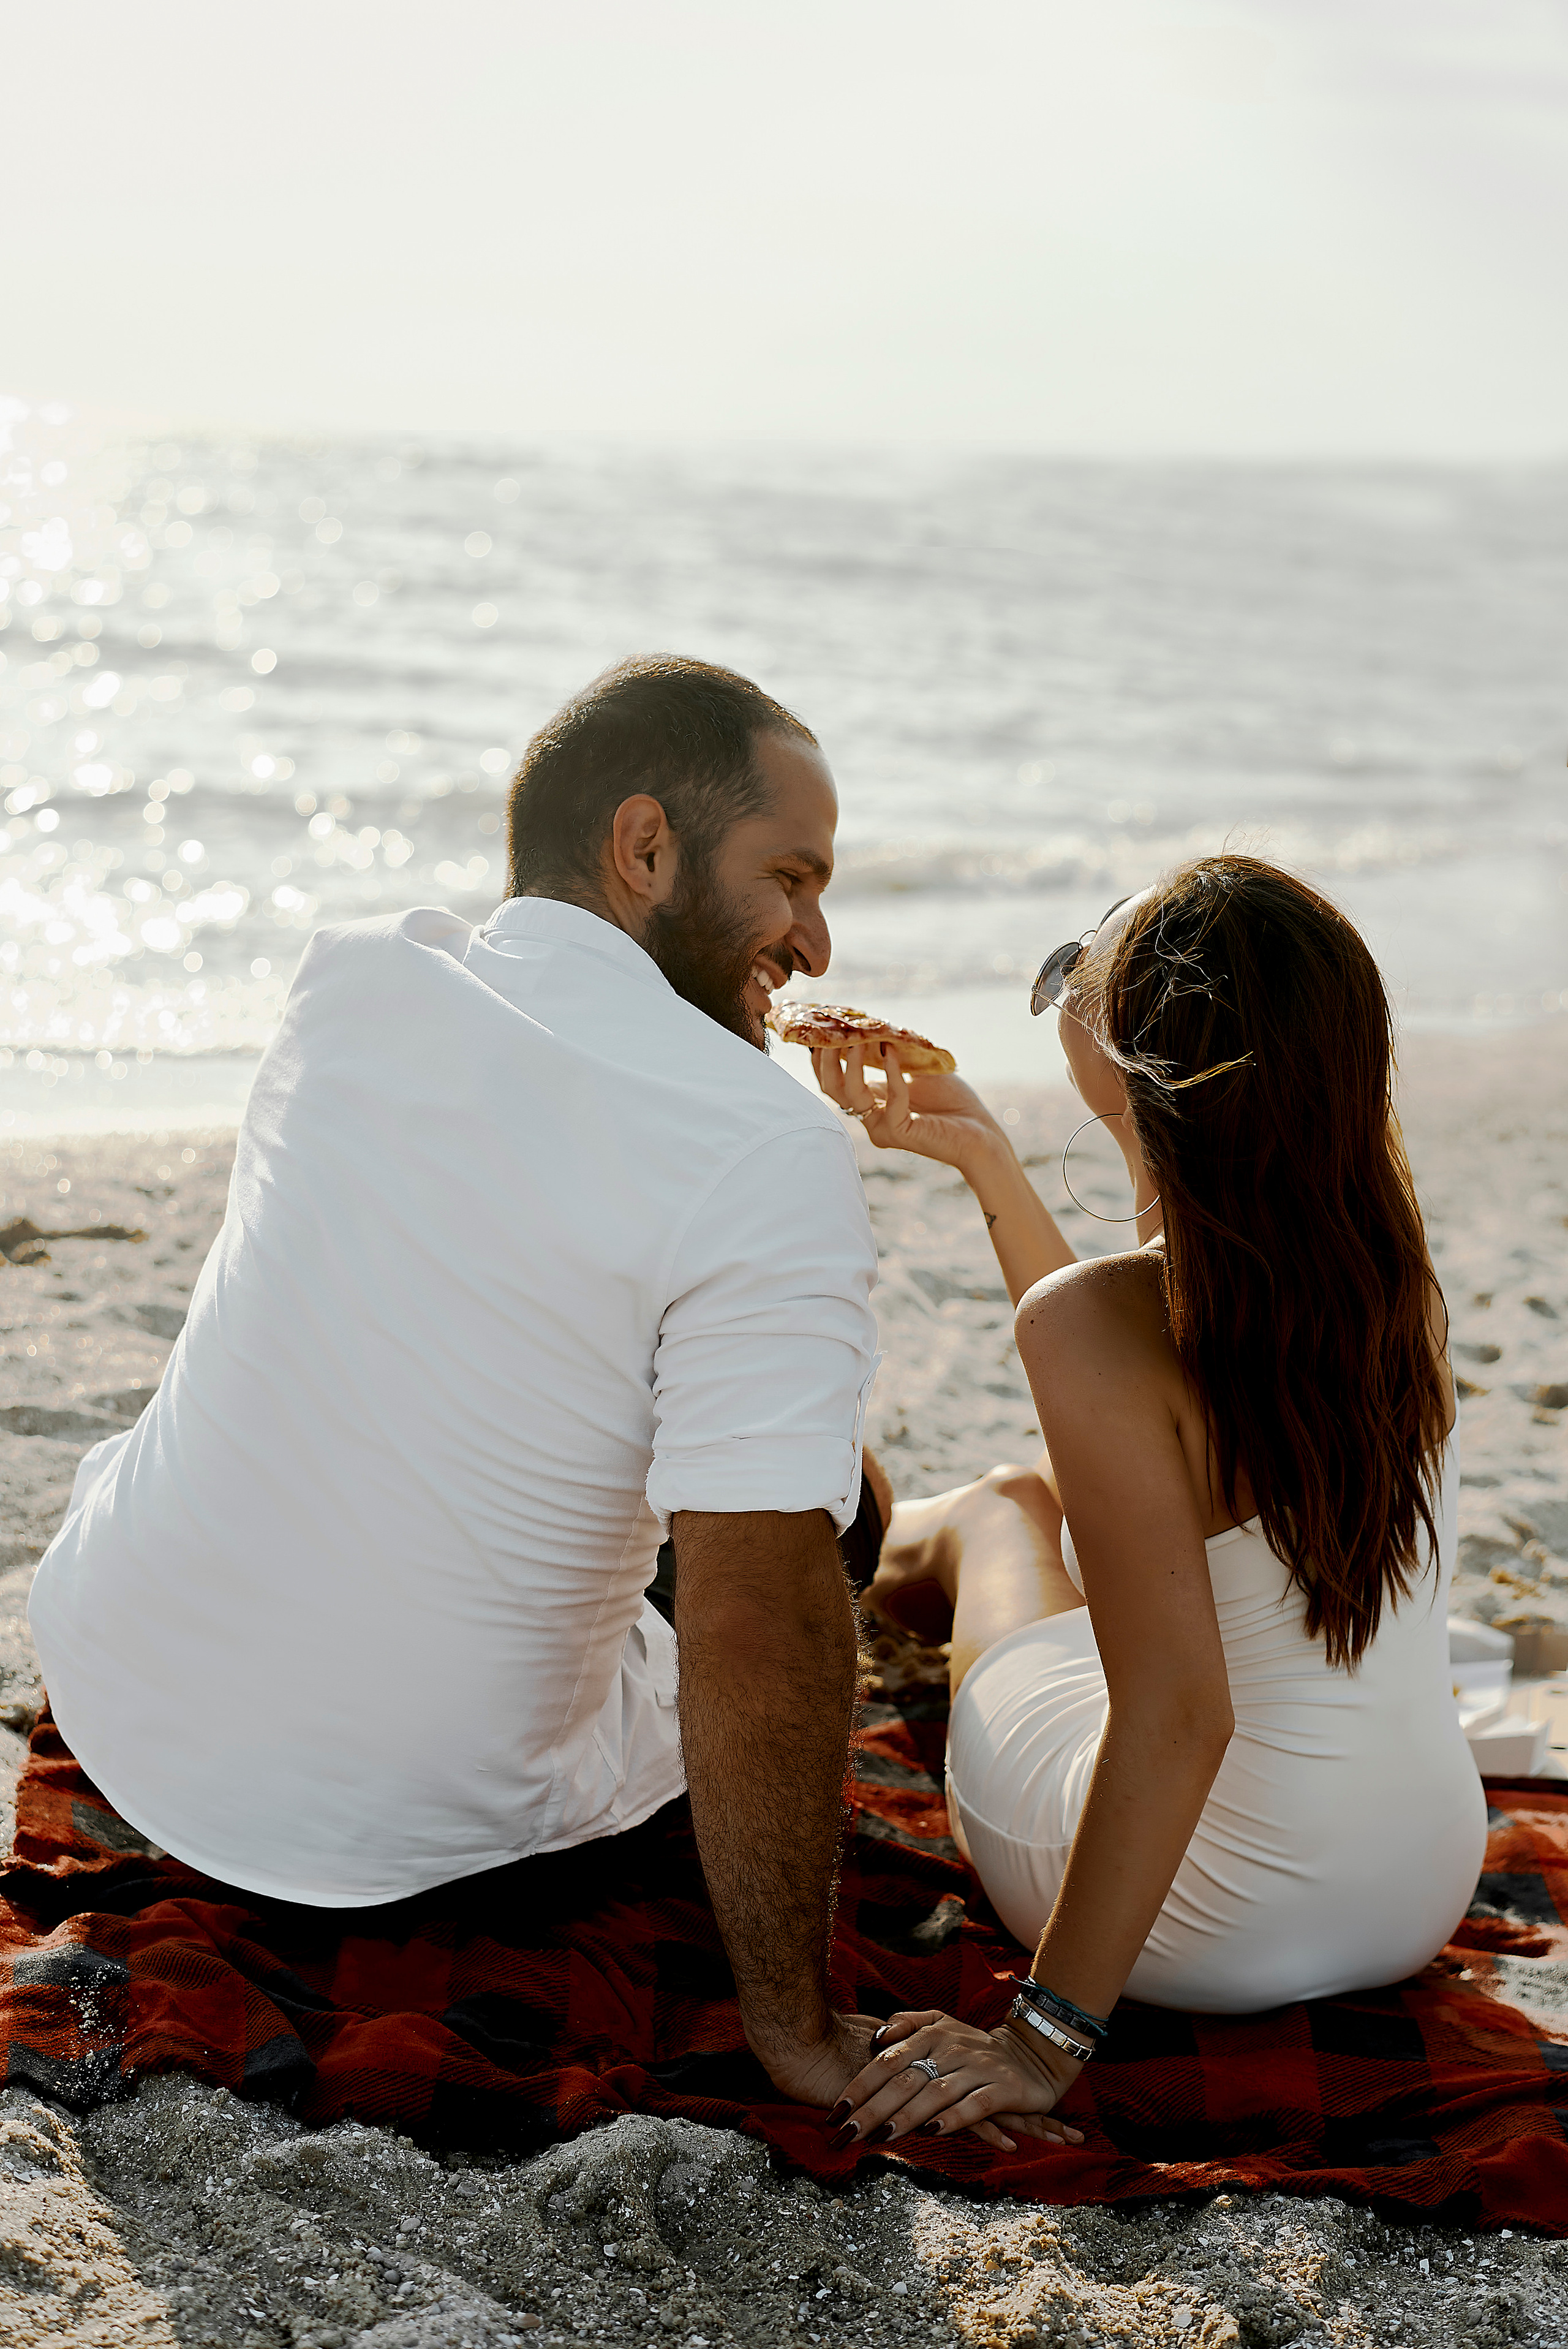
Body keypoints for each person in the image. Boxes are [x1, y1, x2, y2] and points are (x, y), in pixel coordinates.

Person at [31, 654, 892, 2109]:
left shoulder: (351, 984)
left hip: (123, 1693)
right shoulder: (764, 1146)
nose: (813, 940)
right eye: (789, 879)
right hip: (398, 1834)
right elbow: (752, 1608)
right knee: (835, 1524)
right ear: (643, 847)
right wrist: (793, 2027)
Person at [810, 855, 1485, 2154]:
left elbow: (1180, 1713)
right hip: (1415, 1885)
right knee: (1080, 1534)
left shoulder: (1108, 1325)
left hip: (1212, 1918)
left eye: (1084, 960)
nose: (1063, 971)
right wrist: (984, 1157)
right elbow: (1142, 1343)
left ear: (1139, 1055)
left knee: (1007, 1509)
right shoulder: (1384, 1280)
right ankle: (906, 1551)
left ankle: (873, 1552)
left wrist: (1038, 2039)